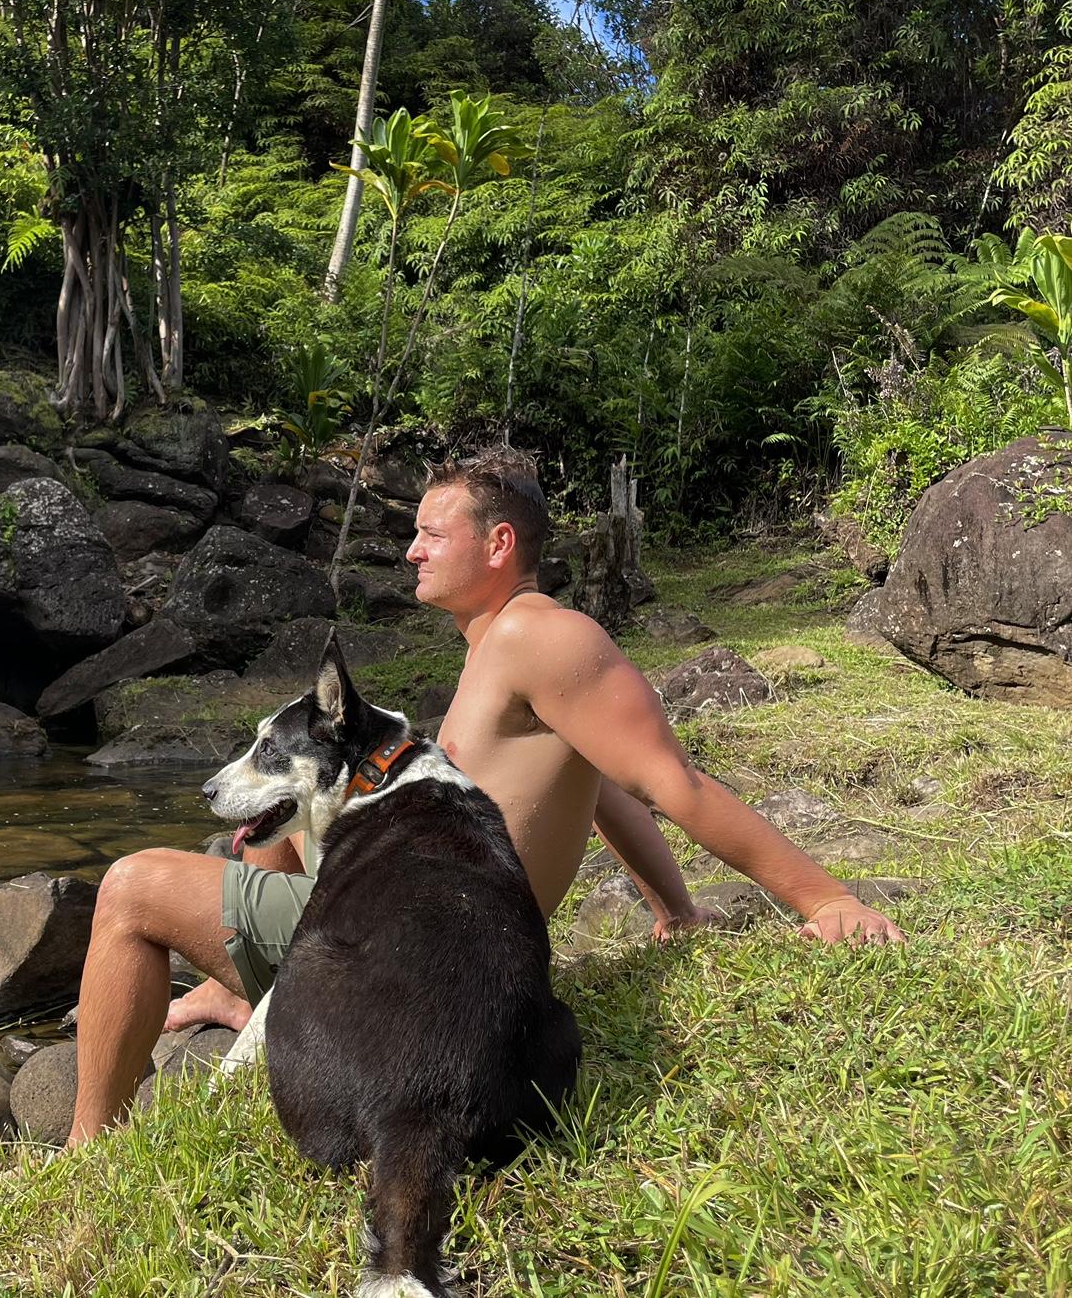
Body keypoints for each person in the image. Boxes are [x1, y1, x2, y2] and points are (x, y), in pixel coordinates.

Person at [66, 447, 904, 1147]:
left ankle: (87, 1149)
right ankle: (249, 988)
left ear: (499, 542)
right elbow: (603, 788)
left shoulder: (543, 636)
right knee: (275, 818)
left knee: (132, 888)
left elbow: (669, 780)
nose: (412, 552)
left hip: (429, 944)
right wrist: (674, 908)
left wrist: (822, 897)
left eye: (431, 533)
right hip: (406, 917)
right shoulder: (497, 648)